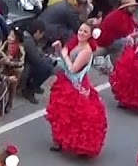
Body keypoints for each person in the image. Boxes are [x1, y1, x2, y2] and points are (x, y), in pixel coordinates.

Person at [45, 21, 107, 158]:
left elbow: (73, 69)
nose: (81, 33)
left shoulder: (86, 51)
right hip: (65, 82)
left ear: (90, 35)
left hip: (75, 86)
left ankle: (79, 145)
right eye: (80, 30)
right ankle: (60, 140)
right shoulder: (75, 43)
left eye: (85, 32)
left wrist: (65, 54)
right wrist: (60, 50)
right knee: (61, 113)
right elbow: (63, 59)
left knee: (76, 116)